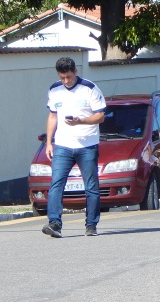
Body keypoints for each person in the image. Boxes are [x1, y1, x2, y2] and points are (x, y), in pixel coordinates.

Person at [42, 57, 106, 238]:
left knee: (91, 186)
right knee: (56, 183)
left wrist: (81, 121)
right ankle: (54, 223)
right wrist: (49, 142)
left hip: (87, 145)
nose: (66, 81)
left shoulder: (89, 89)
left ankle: (91, 224)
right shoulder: (55, 90)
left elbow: (100, 116)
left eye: (68, 77)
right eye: (62, 78)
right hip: (63, 145)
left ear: (75, 72)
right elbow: (52, 116)